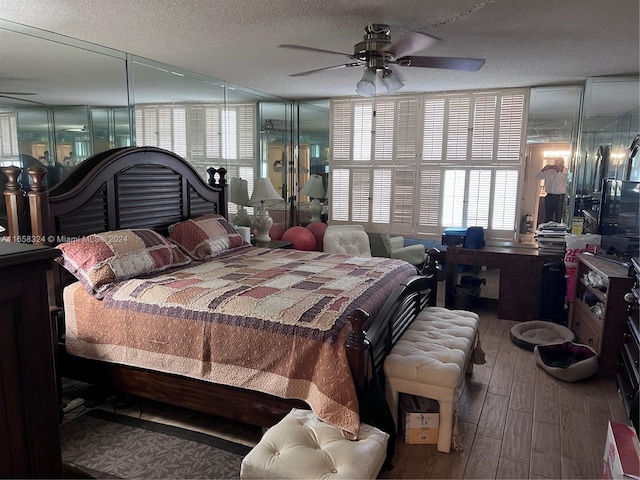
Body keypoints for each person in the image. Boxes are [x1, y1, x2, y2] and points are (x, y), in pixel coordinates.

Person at [536, 157, 567, 223]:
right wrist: (543, 169)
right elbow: (537, 177)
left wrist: (562, 170)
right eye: (556, 162)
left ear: (562, 163)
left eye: (558, 163)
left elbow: (571, 180)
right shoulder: (550, 172)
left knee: (559, 217)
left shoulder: (566, 172)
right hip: (549, 197)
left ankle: (558, 232)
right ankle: (547, 232)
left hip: (560, 198)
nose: (556, 165)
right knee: (548, 217)